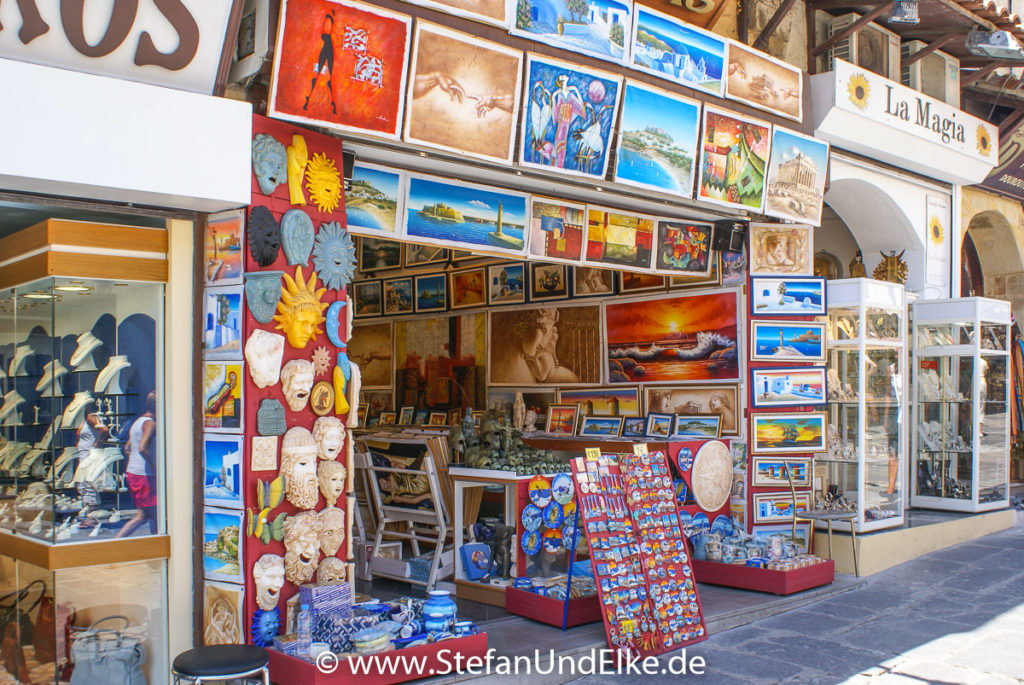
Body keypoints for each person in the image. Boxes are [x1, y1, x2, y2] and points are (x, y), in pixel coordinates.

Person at [115, 392, 157, 538]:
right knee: (145, 515)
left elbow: (127, 448)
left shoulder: (138, 421)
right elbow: (142, 447)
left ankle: (156, 542)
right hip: (143, 474)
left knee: (153, 513)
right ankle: (116, 542)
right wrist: (155, 466)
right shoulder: (150, 424)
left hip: (133, 471)